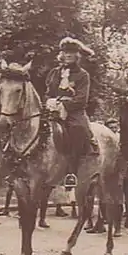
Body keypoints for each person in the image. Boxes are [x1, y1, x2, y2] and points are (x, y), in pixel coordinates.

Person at [45, 37, 99, 188]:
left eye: (71, 52)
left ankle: (71, 171)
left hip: (74, 111)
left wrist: (64, 105)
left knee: (78, 129)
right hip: (53, 108)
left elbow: (82, 99)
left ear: (77, 55)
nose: (67, 55)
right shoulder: (54, 73)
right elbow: (49, 92)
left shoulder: (83, 75)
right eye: (65, 52)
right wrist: (50, 102)